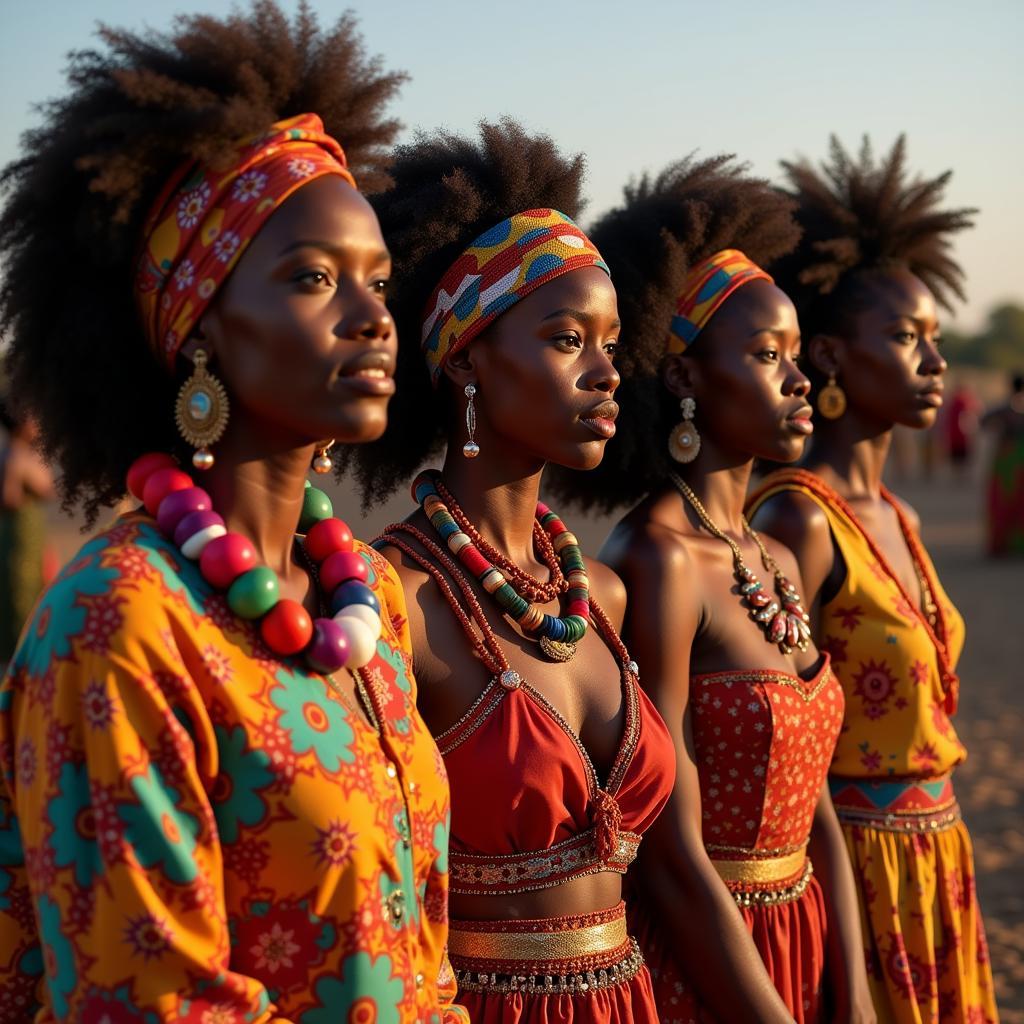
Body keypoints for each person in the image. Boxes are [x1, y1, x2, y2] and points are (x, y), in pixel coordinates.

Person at [0, 5, 466, 1021]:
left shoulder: (371, 602)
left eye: (379, 281)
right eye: (312, 277)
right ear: (198, 326)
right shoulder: (118, 625)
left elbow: (425, 956)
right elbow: (149, 999)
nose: (374, 314)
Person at [344, 121, 675, 1023]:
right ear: (466, 359)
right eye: (569, 339)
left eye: (612, 342)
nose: (608, 373)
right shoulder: (393, 599)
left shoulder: (600, 595)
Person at [547, 156, 873, 1024]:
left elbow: (822, 809)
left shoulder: (775, 553)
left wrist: (857, 987)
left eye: (798, 355)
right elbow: (667, 847)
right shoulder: (656, 560)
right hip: (713, 965)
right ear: (686, 379)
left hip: (807, 937)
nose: (801, 381)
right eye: (768, 356)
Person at [747, 136, 998, 1024]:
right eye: (903, 337)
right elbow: (786, 738)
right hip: (856, 867)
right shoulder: (795, 520)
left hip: (940, 854)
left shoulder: (904, 514)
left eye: (935, 338)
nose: (932, 362)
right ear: (833, 356)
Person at [0, 401, 56, 666]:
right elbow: (13, 496)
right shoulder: (17, 454)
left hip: (26, 534)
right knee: (21, 591)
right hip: (20, 534)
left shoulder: (12, 453)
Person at [980, 372, 1024, 555]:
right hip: (1019, 460)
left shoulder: (1004, 408)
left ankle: (1001, 543)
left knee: (1003, 501)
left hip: (1005, 459)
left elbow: (983, 421)